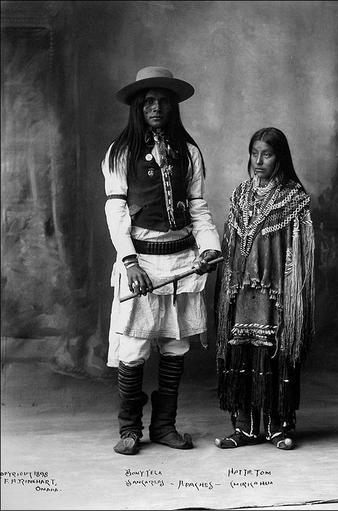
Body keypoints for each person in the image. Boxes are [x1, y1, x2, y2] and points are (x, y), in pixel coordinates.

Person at [102, 66, 221, 455]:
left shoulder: (188, 152)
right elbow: (116, 210)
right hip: (143, 263)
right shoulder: (121, 153)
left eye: (163, 101)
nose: (156, 107)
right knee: (134, 349)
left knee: (175, 346)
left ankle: (166, 426)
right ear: (137, 106)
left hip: (181, 260)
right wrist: (130, 262)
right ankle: (130, 428)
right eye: (148, 101)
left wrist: (207, 247)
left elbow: (199, 207)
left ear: (173, 107)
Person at [215, 127, 314, 450]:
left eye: (267, 154)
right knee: (242, 350)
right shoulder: (240, 196)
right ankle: (244, 427)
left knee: (274, 353)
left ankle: (278, 428)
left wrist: (290, 289)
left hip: (277, 293)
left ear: (279, 157)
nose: (258, 161)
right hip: (242, 291)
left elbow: (299, 253)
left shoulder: (293, 199)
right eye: (254, 153)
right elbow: (231, 244)